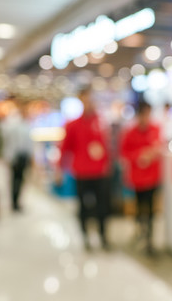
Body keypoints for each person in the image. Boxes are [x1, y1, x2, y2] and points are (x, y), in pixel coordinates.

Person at [58, 87, 111, 251]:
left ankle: (103, 237)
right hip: (81, 172)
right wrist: (59, 169)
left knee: (103, 206)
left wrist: (106, 163)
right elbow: (65, 148)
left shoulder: (101, 122)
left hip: (100, 172)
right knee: (83, 207)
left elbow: (106, 146)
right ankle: (86, 237)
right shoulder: (73, 125)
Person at [120, 101, 162, 256]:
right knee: (139, 207)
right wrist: (139, 156)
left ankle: (149, 241)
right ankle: (140, 231)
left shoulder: (155, 129)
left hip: (152, 177)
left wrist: (152, 153)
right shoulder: (130, 132)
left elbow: (159, 148)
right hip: (137, 178)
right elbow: (124, 153)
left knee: (151, 210)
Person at [2, 100, 33, 212]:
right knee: (14, 180)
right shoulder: (13, 124)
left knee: (20, 180)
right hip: (15, 157)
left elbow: (29, 143)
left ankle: (17, 201)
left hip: (23, 156)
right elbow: (8, 139)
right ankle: (13, 202)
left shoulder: (26, 125)